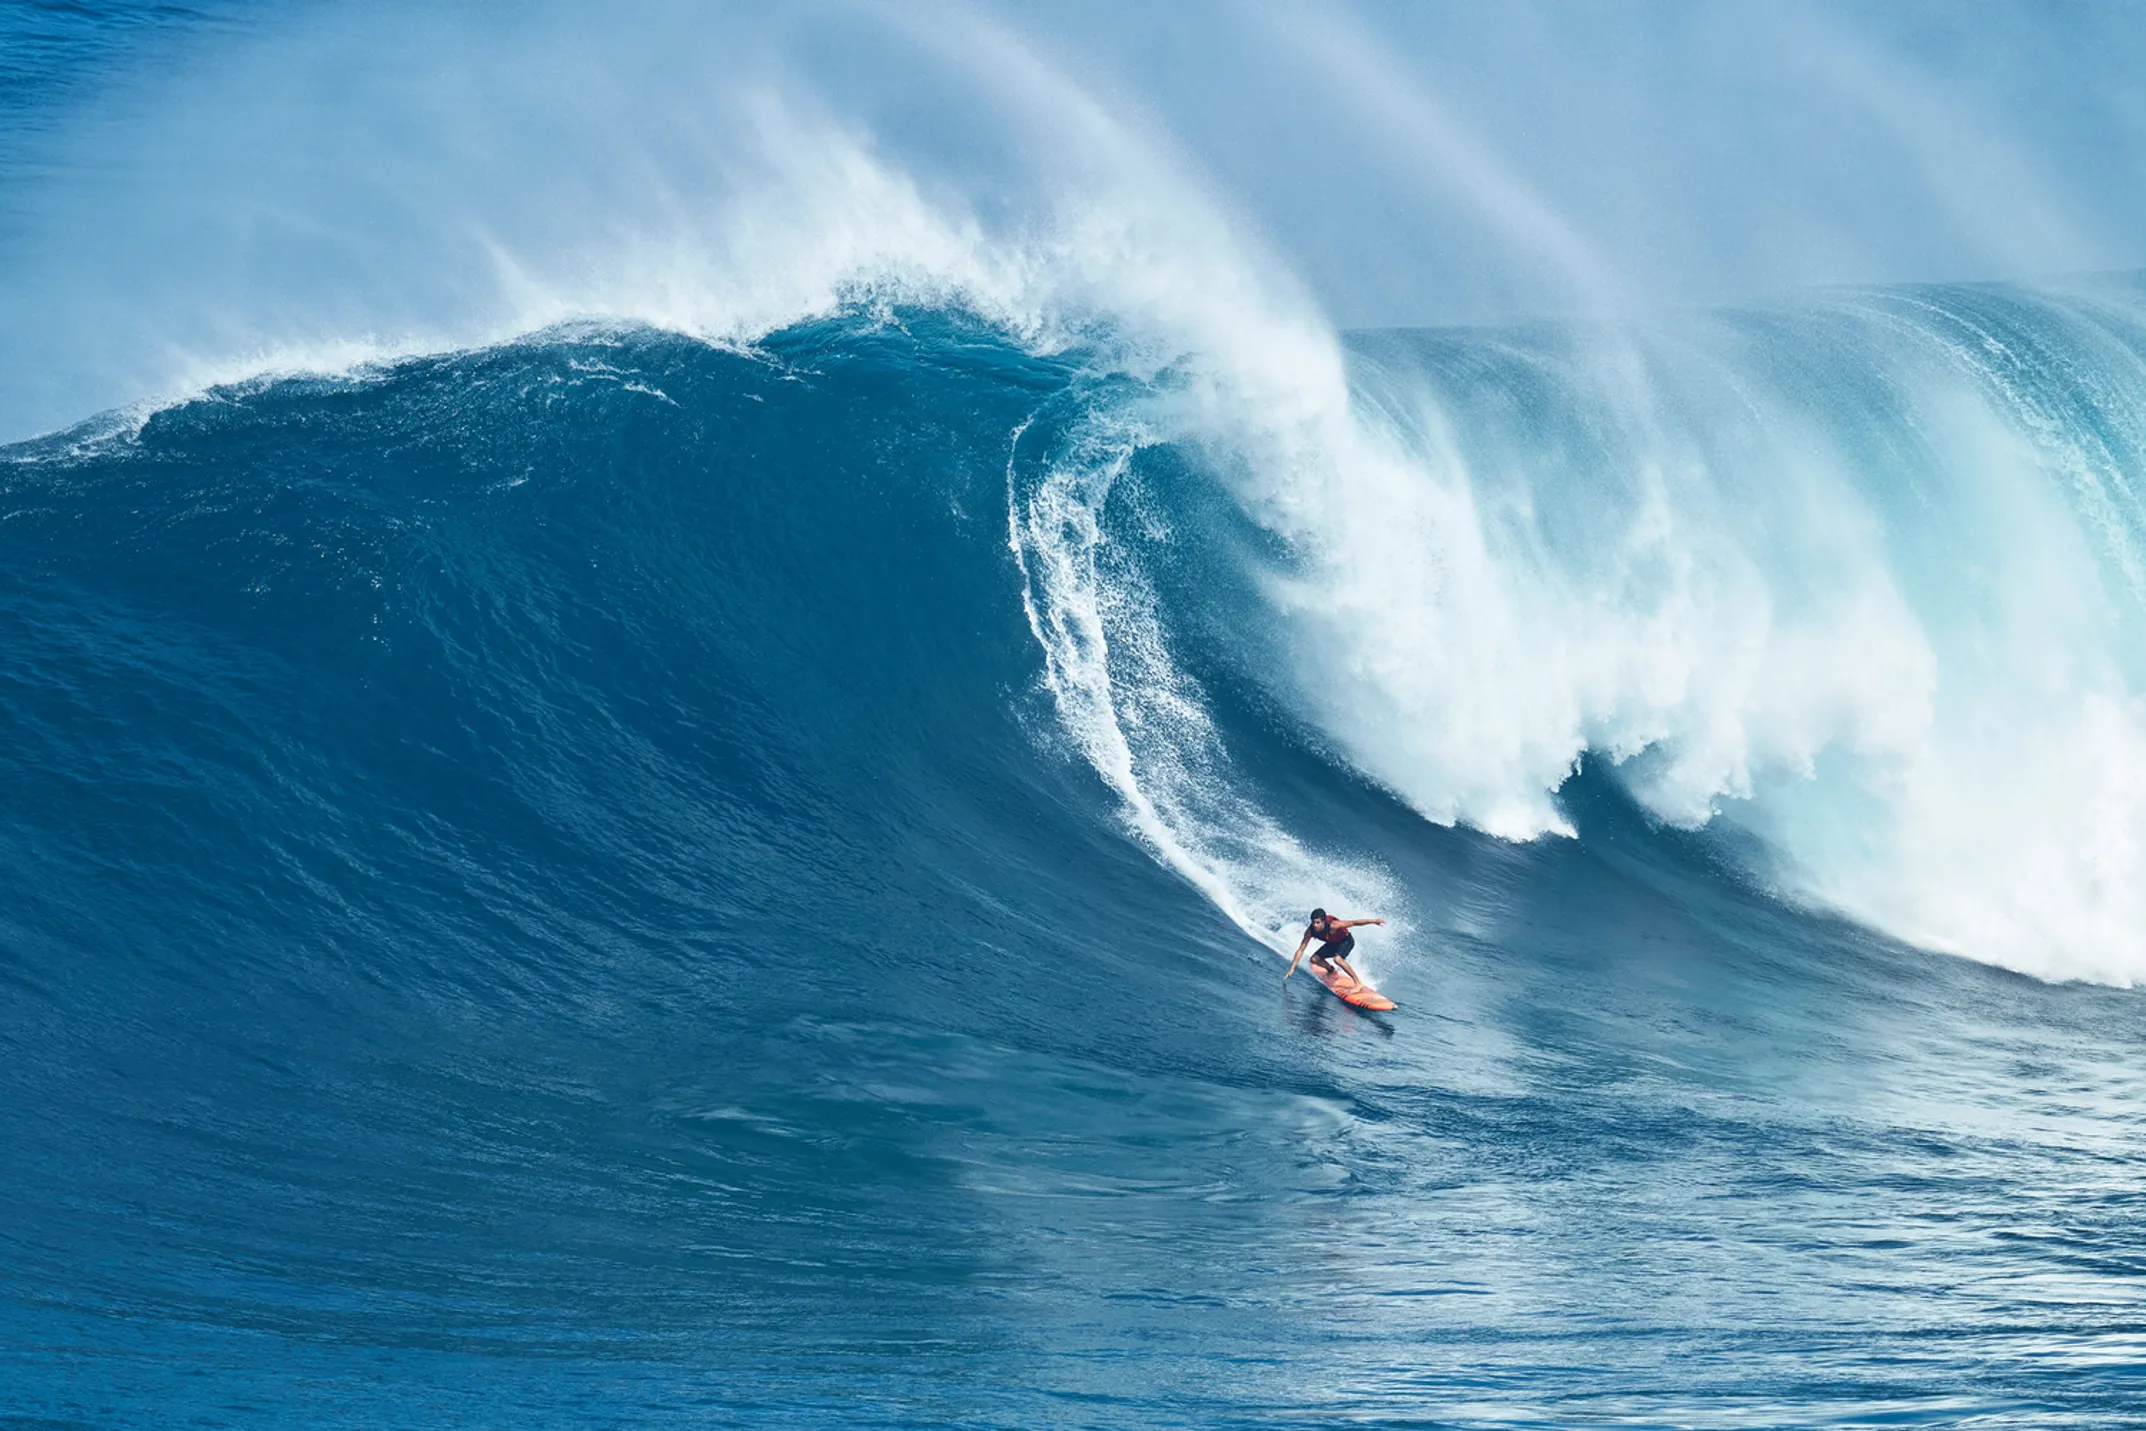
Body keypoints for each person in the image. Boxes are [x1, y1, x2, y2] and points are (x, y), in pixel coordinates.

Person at [1285, 908, 1383, 987]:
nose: (1315, 925)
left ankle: (1358, 983)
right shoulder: (1310, 931)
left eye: (1318, 922)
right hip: (1332, 943)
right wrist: (1292, 968)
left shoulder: (1334, 925)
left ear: (1324, 921)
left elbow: (1355, 923)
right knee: (1314, 959)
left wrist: (1374, 921)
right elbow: (1301, 949)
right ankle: (1331, 970)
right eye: (1313, 922)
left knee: (1338, 959)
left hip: (1346, 941)